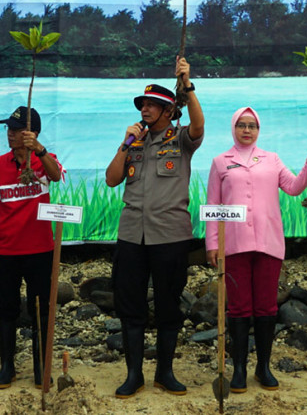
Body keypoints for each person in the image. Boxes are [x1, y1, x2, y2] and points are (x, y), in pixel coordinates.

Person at [105, 57, 204, 398]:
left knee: (168, 306)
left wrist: (187, 86)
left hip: (171, 237)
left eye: (152, 105)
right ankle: (134, 375)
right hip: (132, 235)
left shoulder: (180, 139)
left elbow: (199, 126)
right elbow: (111, 179)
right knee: (130, 306)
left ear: (167, 111)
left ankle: (165, 372)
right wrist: (124, 143)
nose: (144, 109)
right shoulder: (133, 143)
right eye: (143, 104)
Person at [205, 107, 307, 392]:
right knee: (239, 307)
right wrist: (212, 244)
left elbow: (294, 187)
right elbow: (213, 205)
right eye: (242, 125)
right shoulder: (221, 162)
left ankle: (263, 367)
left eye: (252, 126)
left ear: (259, 130)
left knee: (267, 307)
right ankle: (240, 369)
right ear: (233, 128)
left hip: (269, 243)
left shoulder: (272, 159)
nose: (247, 130)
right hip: (234, 245)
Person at [0, 106, 63, 389]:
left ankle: (41, 366)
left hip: (40, 248)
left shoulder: (44, 160)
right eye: (9, 129)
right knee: (6, 309)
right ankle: (7, 366)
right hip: (6, 249)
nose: (11, 134)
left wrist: (38, 150)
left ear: (32, 133)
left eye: (17, 129)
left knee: (40, 308)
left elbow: (55, 176)